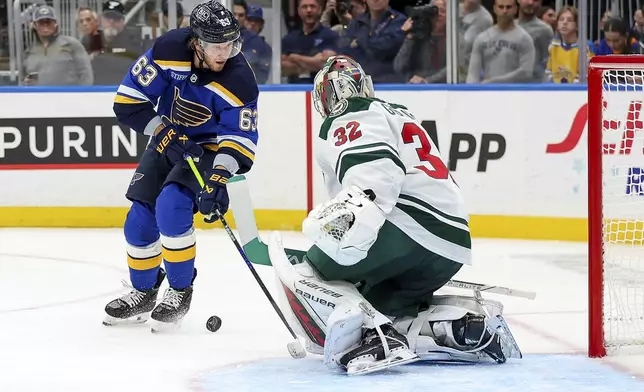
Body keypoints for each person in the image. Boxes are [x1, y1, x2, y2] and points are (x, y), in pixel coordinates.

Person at [267, 55, 521, 374]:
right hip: (452, 245)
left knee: (309, 275)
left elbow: (375, 177)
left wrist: (340, 227)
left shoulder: (351, 112)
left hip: (405, 229)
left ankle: (377, 338)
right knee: (377, 304)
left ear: (330, 93)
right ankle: (462, 325)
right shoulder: (398, 112)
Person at [103, 0, 259, 331]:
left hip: (208, 148)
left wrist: (218, 177)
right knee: (139, 220)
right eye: (216, 44)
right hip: (167, 136)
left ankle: (179, 289)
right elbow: (128, 102)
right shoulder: (169, 50)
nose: (223, 52)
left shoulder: (240, 79)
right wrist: (162, 132)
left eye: (229, 43)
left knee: (172, 206)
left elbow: (239, 136)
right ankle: (143, 291)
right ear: (196, 42)